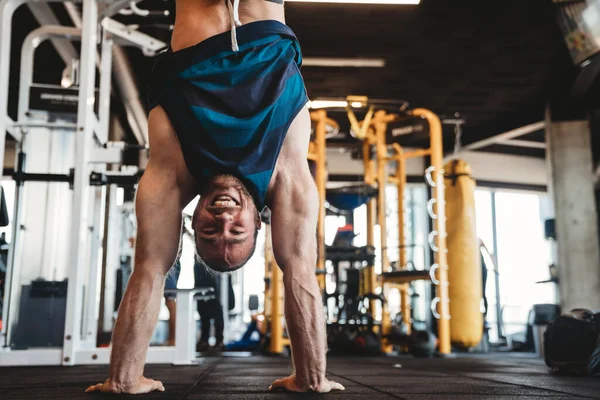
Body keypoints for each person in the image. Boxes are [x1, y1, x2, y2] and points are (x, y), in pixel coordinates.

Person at [86, 0, 344, 395]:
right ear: (260, 221)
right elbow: (300, 270)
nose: (223, 222)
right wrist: (311, 378)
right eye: (236, 234)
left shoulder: (173, 171)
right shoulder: (283, 173)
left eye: (209, 234)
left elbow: (151, 267)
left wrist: (123, 380)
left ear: (191, 222)